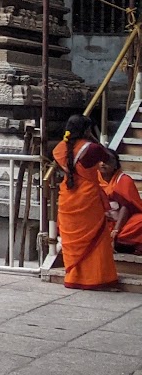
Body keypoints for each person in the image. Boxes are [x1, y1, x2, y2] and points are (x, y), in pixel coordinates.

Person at [50, 114, 122, 291]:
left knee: (72, 240)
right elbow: (109, 158)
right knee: (96, 239)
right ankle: (96, 279)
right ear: (87, 130)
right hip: (87, 199)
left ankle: (74, 275)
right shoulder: (92, 149)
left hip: (68, 197)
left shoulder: (58, 148)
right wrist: (92, 138)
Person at [103, 165, 142, 255]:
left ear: (115, 164)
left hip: (123, 223)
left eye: (108, 161)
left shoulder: (123, 180)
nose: (103, 164)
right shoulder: (91, 179)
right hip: (102, 222)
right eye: (100, 161)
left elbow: (127, 205)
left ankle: (116, 241)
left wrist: (116, 230)